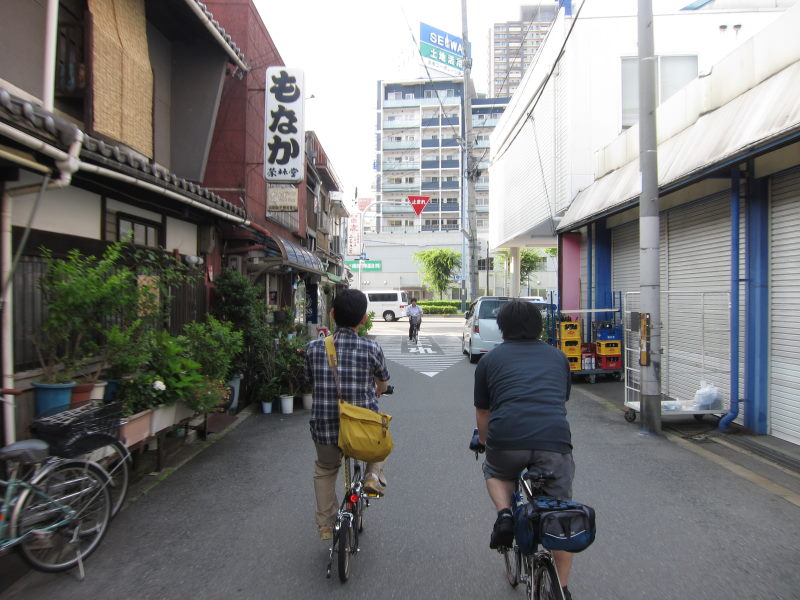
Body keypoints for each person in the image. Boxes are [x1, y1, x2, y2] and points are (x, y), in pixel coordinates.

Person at [473, 300, 576, 600]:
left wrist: (483, 441)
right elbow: (561, 404)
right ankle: (563, 589)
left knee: (495, 470)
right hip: (554, 442)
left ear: (502, 327)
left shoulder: (490, 361)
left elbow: (483, 413)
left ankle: (505, 514)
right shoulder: (558, 358)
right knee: (559, 518)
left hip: (506, 440)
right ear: (539, 326)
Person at [304, 289, 391, 541]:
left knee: (325, 469)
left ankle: (326, 524)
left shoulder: (313, 348)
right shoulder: (371, 348)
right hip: (362, 430)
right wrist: (377, 391)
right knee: (381, 443)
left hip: (325, 429)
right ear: (364, 319)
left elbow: (308, 381)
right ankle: (372, 476)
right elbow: (383, 384)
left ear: (332, 315)